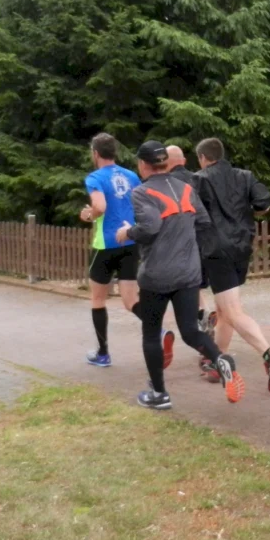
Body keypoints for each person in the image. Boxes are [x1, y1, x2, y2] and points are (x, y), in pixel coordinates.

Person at [116, 140, 244, 409]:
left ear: (143, 164)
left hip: (157, 275)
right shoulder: (186, 188)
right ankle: (219, 359)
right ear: (165, 162)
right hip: (188, 273)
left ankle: (159, 394)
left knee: (151, 334)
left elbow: (149, 227)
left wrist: (126, 232)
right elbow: (203, 222)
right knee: (189, 331)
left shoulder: (142, 192)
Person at [194, 138, 270, 392]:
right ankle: (218, 360)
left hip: (216, 249)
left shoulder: (199, 179)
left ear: (203, 158)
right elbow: (264, 205)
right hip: (241, 246)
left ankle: (269, 354)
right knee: (224, 309)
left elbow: (194, 214)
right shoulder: (245, 176)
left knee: (232, 311)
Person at [80, 133, 173, 367]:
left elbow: (99, 205)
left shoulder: (95, 178)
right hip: (130, 241)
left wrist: (89, 214)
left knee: (97, 300)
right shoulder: (132, 176)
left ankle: (103, 354)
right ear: (115, 152)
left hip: (106, 245)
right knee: (130, 299)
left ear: (96, 153)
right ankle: (160, 332)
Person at [165, 145, 216, 341]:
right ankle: (205, 312)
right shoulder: (199, 179)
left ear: (166, 163)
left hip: (181, 241)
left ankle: (201, 317)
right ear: (184, 161)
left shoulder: (168, 183)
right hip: (204, 238)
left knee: (184, 287)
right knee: (198, 284)